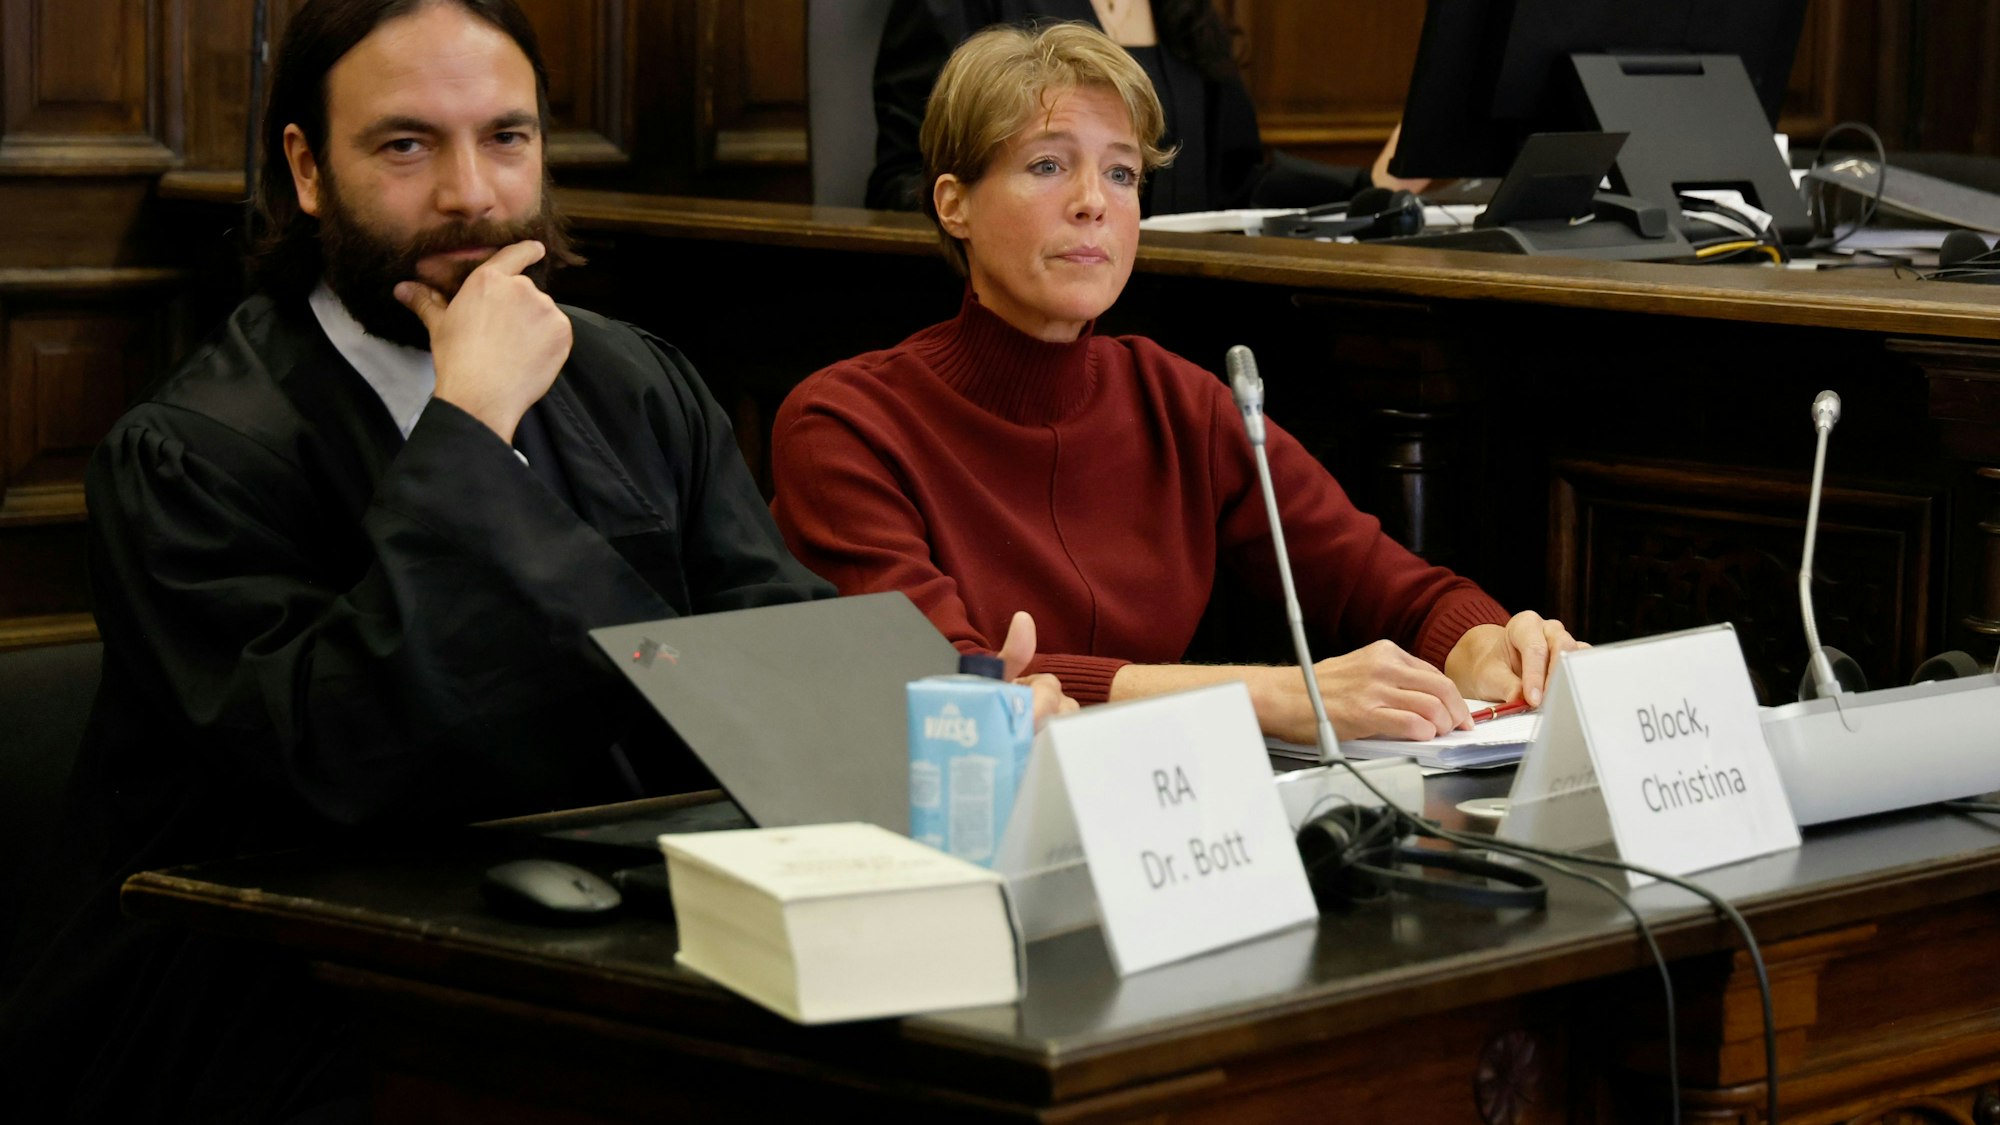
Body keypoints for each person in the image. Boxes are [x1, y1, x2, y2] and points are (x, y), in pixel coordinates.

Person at [0, 1, 1066, 1120]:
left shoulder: (634, 384)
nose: (471, 192)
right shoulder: (192, 452)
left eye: (506, 138)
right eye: (406, 145)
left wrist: (954, 720)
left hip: (615, 947)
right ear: (308, 171)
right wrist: (468, 426)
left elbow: (769, 648)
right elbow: (340, 762)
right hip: (271, 994)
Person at [773, 21, 1578, 747]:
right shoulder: (843, 423)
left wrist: (1486, 644)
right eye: (1049, 165)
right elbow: (951, 687)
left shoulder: (1180, 400)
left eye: (1121, 175)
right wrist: (1268, 695)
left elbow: (1390, 586)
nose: (1094, 204)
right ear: (954, 204)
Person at [866, 0, 1427, 214]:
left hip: (1190, 306)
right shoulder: (956, 4)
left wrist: (1369, 188)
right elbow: (905, 182)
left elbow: (1232, 183)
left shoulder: (1183, 8)